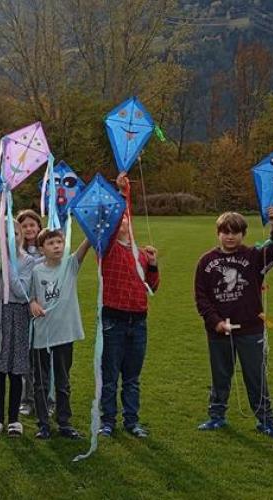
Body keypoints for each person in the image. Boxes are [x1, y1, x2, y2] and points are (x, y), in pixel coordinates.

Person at [193, 208, 273, 441]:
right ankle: (217, 415)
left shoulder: (253, 257)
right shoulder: (206, 261)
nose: (230, 236)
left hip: (250, 329)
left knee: (256, 376)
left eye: (235, 232)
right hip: (219, 332)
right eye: (225, 232)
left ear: (244, 234)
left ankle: (265, 420)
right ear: (218, 233)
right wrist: (215, 323)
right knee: (221, 375)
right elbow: (201, 297)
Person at [98, 173, 160, 438]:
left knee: (132, 379)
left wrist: (154, 265)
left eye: (126, 220)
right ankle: (108, 421)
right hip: (114, 320)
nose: (124, 222)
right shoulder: (107, 249)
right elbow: (116, 222)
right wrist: (124, 193)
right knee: (110, 377)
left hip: (139, 321)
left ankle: (131, 421)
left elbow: (152, 286)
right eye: (121, 220)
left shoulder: (140, 253)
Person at [0, 198, 36, 437]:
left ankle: (14, 419)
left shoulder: (28, 261)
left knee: (15, 370)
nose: (8, 237)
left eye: (13, 232)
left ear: (20, 235)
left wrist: (7, 264)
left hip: (18, 314)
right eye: (4, 233)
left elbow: (20, 291)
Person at [28, 228, 91, 439]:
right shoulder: (36, 271)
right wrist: (33, 303)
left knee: (63, 382)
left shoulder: (70, 265)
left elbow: (87, 243)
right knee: (41, 382)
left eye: (59, 242)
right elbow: (31, 297)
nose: (56, 246)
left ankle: (64, 423)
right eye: (50, 243)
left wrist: (96, 222)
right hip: (42, 335)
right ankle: (44, 424)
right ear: (41, 249)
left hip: (64, 334)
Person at [14, 209, 50, 417]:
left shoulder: (45, 249)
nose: (28, 229)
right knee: (26, 357)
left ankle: (47, 398)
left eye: (32, 225)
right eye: (24, 225)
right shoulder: (16, 252)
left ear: (38, 226)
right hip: (22, 310)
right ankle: (27, 399)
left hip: (43, 310)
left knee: (45, 357)